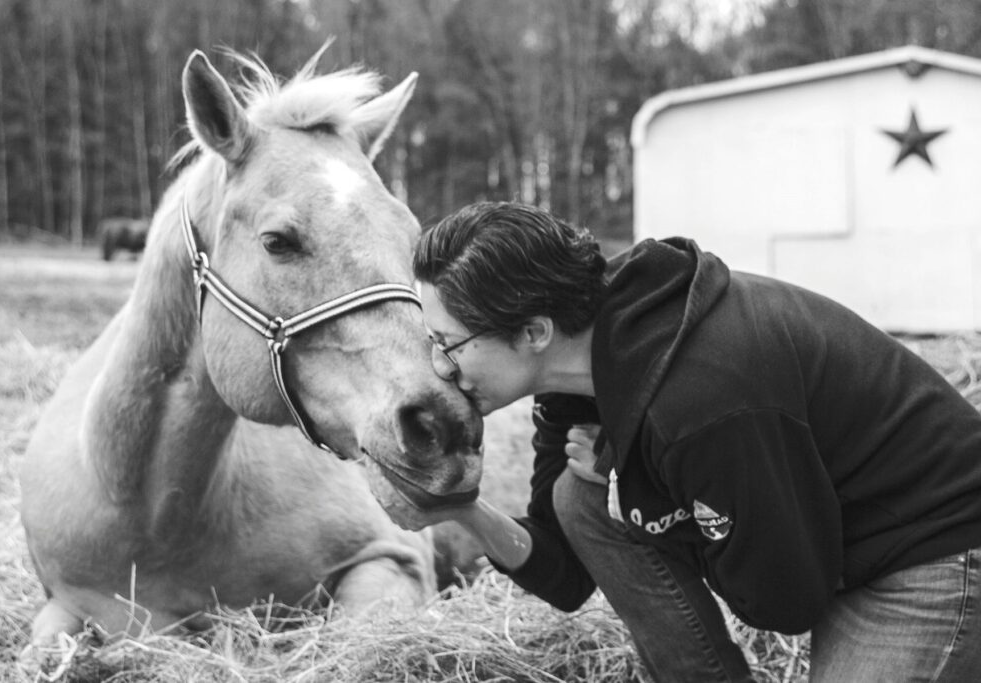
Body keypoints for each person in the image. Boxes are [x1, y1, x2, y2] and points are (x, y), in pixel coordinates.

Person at [405, 200, 981, 682]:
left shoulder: (702, 398)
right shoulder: (575, 380)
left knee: (603, 488)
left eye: (449, 343)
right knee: (577, 498)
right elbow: (566, 574)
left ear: (533, 332)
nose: (439, 365)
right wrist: (462, 508)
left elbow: (783, 603)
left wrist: (638, 485)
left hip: (930, 549)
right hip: (842, 545)